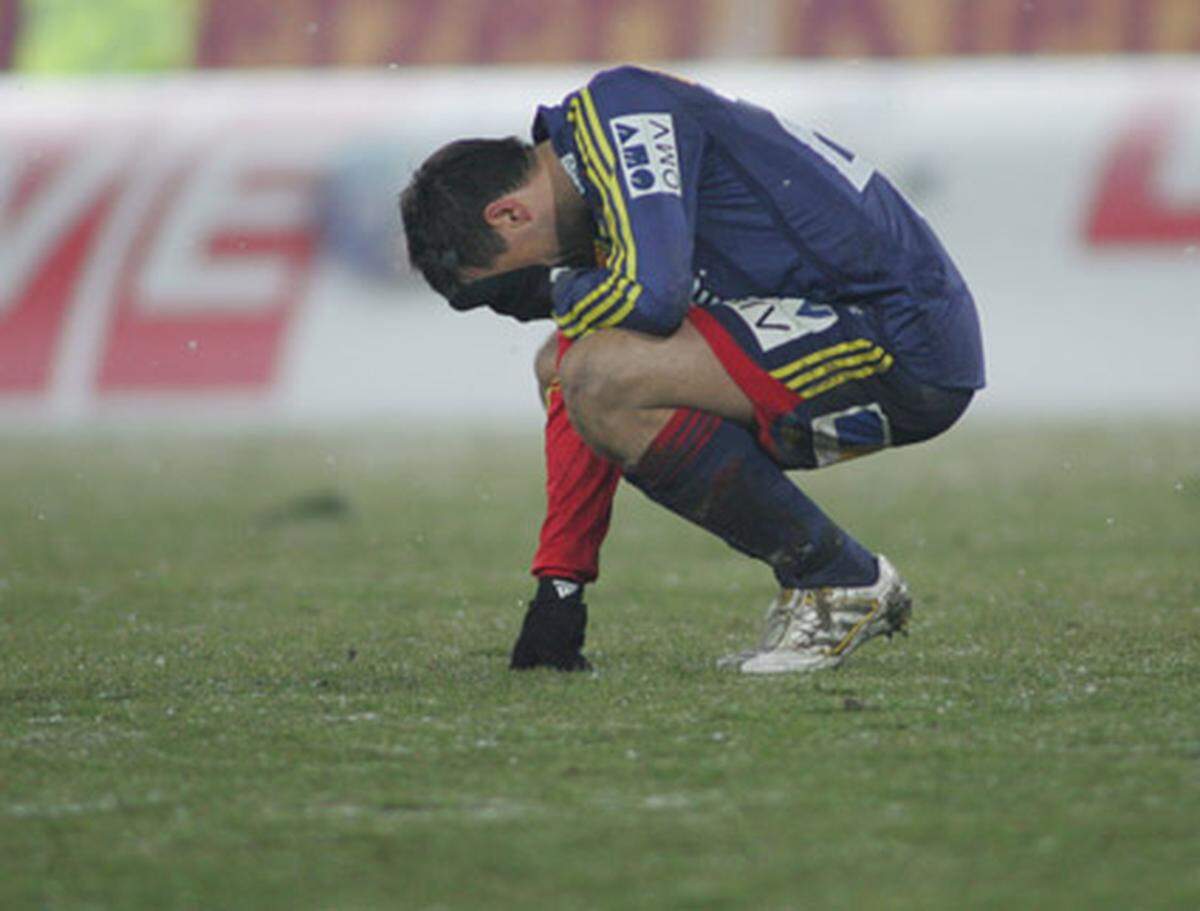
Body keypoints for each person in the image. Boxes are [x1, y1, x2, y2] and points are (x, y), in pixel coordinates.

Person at [399, 66, 985, 674]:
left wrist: (554, 287)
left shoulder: (618, 112)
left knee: (603, 373)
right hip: (837, 323)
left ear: (509, 216)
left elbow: (653, 297)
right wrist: (560, 587)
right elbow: (575, 368)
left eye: (502, 288)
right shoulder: (599, 174)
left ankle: (839, 581)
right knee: (571, 365)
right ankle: (829, 579)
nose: (520, 299)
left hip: (902, 335)